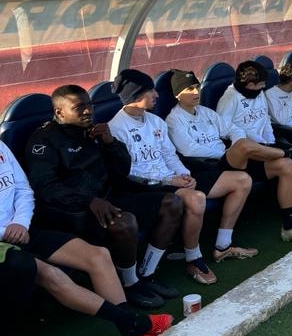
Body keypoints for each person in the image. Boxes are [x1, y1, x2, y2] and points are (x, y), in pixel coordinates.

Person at [1, 141, 172, 336]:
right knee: (51, 274)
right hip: (4, 240)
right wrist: (7, 231)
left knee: (98, 255)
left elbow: (23, 189)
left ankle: (130, 331)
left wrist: (20, 222)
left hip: (22, 227)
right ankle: (134, 323)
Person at [25, 84, 185, 309]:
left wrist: (110, 144)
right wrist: (88, 201)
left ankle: (146, 274)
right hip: (74, 212)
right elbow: (45, 187)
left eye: (89, 105)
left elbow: (122, 169)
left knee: (173, 202)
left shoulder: (96, 132)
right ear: (60, 112)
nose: (88, 111)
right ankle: (130, 284)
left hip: (107, 198)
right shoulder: (44, 140)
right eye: (79, 107)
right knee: (124, 221)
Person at [167, 69, 292, 260]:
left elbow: (233, 129)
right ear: (177, 94)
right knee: (246, 146)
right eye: (189, 89)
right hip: (209, 166)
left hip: (231, 159)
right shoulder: (173, 119)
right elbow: (189, 150)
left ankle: (291, 225)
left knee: (284, 164)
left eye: (196, 87)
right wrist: (228, 151)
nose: (196, 92)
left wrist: (234, 144)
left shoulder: (205, 112)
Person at [107, 69, 221, 286]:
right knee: (196, 199)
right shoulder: (116, 128)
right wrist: (168, 181)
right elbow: (128, 172)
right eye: (151, 91)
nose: (157, 96)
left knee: (195, 195)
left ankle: (154, 269)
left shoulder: (155, 121)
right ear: (135, 95)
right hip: (144, 187)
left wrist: (184, 174)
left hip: (169, 180)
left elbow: (169, 155)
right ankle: (193, 258)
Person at [216, 61, 292, 241]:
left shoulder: (258, 94)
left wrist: (271, 142)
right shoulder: (230, 98)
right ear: (249, 85)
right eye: (260, 85)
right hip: (249, 153)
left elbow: (265, 120)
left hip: (266, 145)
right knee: (288, 161)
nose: (264, 87)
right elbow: (223, 130)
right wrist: (260, 143)